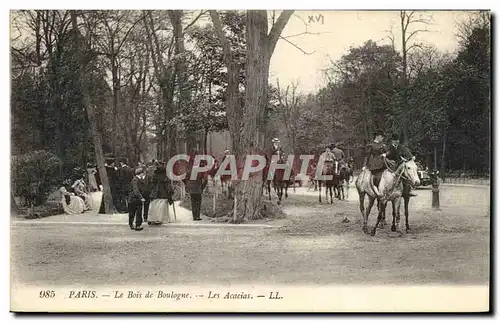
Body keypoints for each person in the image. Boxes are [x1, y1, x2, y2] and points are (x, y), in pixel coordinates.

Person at [362, 131, 388, 198]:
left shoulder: (383, 144)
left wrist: (385, 154)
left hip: (384, 162)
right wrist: (364, 165)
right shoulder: (370, 145)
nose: (382, 138)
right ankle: (376, 190)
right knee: (377, 177)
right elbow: (367, 156)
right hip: (375, 163)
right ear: (378, 136)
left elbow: (388, 152)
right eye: (382, 137)